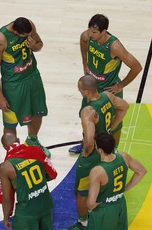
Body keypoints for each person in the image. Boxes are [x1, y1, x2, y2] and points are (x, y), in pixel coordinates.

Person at [69, 13, 142, 154]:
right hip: (92, 86)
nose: (90, 34)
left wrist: (121, 85)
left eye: (94, 32)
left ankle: (112, 151)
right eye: (90, 30)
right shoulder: (88, 36)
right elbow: (83, 40)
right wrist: (85, 63)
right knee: (86, 117)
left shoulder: (115, 46)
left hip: (109, 89)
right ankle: (86, 143)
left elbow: (137, 67)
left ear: (104, 31)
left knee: (113, 124)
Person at [69, 75, 129, 230]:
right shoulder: (108, 96)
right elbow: (124, 106)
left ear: (87, 92)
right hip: (106, 148)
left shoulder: (88, 111)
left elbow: (89, 140)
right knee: (103, 180)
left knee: (82, 191)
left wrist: (86, 153)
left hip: (95, 151)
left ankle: (83, 222)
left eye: (80, 90)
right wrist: (112, 127)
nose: (79, 92)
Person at [0, 17, 51, 158]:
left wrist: (34, 46)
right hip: (13, 85)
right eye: (24, 36)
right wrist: (0, 97)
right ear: (16, 33)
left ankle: (32, 140)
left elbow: (40, 45)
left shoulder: (29, 25)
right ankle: (14, 154)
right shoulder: (0, 39)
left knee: (38, 112)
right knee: (11, 122)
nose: (27, 37)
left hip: (32, 77)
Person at [87, 132, 147, 230]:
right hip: (120, 204)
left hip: (105, 210)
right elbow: (141, 171)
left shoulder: (97, 171)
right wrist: (125, 188)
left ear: (100, 150)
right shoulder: (124, 157)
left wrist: (97, 205)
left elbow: (90, 203)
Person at [0, 133, 58, 229]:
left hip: (26, 212)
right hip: (45, 205)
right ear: (18, 140)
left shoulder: (6, 167)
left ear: (5, 147)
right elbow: (52, 175)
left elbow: (7, 198)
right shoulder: (36, 150)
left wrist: (5, 218)